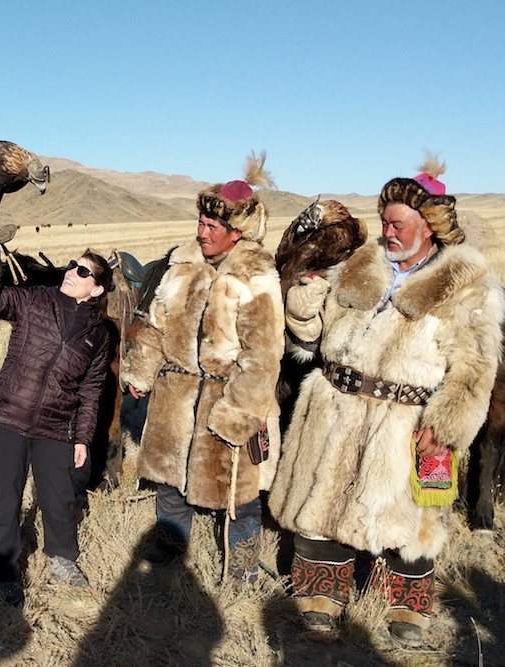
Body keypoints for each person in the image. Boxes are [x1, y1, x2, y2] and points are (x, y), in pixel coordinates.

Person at [268, 160, 504, 645]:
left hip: (409, 419)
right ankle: (320, 596)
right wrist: (304, 310)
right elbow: (314, 341)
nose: (387, 232)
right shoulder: (360, 265)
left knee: (412, 517)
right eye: (384, 221)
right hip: (335, 405)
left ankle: (407, 606)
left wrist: (448, 426)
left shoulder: (468, 286)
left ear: (429, 227)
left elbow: (475, 371)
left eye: (398, 224)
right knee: (322, 504)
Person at [121, 153, 284, 581]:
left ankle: (243, 561)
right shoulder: (182, 264)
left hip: (227, 393)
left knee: (238, 488)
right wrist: (140, 370)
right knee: (171, 476)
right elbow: (156, 323)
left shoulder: (256, 276)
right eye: (201, 223)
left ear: (237, 232)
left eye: (213, 227)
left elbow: (264, 355)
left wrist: (240, 413)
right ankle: (171, 539)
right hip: (176, 389)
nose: (202, 232)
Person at [0, 251, 113, 607]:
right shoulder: (34, 299)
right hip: (7, 416)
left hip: (56, 426)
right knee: (5, 500)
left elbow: (91, 390)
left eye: (82, 270)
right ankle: (2, 573)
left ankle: (62, 559)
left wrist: (83, 437)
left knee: (59, 498)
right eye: (71, 265)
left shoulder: (98, 335)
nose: (71, 271)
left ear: (97, 289)